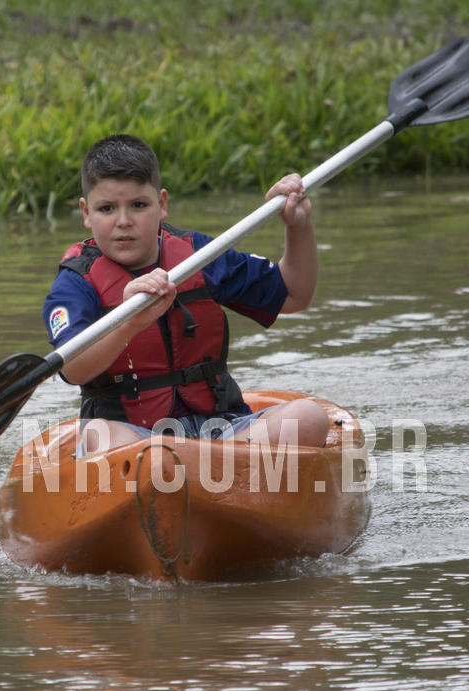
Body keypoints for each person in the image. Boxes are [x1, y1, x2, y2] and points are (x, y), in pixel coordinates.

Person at [43, 133, 329, 455]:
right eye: (107, 208)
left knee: (309, 417)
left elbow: (293, 295)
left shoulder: (198, 255)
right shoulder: (76, 282)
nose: (123, 221)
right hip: (133, 437)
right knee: (102, 434)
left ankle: (204, 460)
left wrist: (298, 226)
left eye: (138, 205)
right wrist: (130, 323)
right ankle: (181, 462)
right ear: (86, 212)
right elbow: (73, 369)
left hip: (222, 430)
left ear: (161, 204)